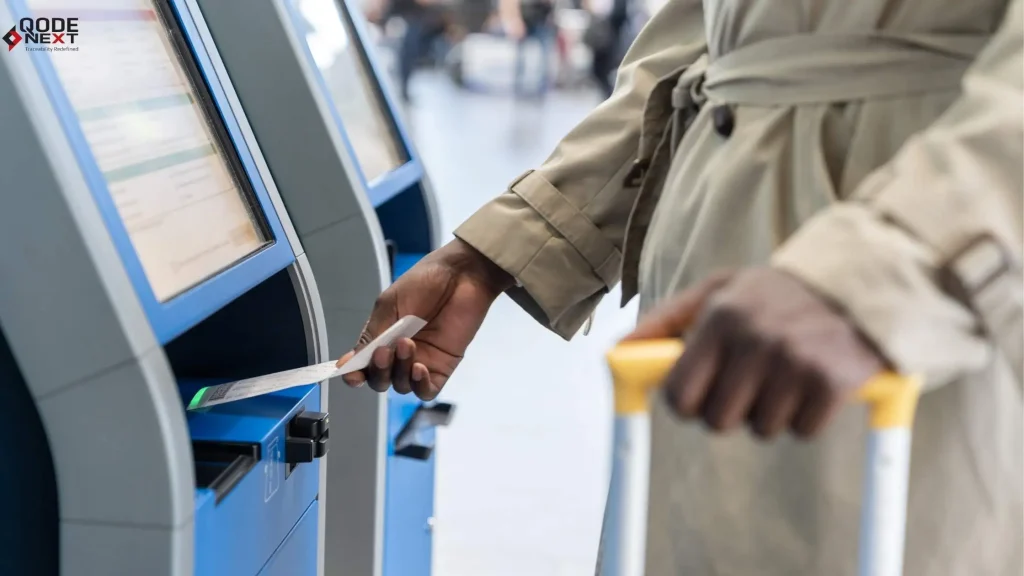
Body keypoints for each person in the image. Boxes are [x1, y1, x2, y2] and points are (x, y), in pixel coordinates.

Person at [338, 0, 1023, 573]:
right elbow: (706, 46)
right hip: (714, 281)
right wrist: (492, 252)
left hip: (930, 302)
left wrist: (895, 263)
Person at [500, 0, 557, 97]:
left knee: (544, 56)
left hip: (541, 19)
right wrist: (515, 20)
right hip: (525, 18)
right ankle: (519, 87)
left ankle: (542, 88)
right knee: (521, 56)